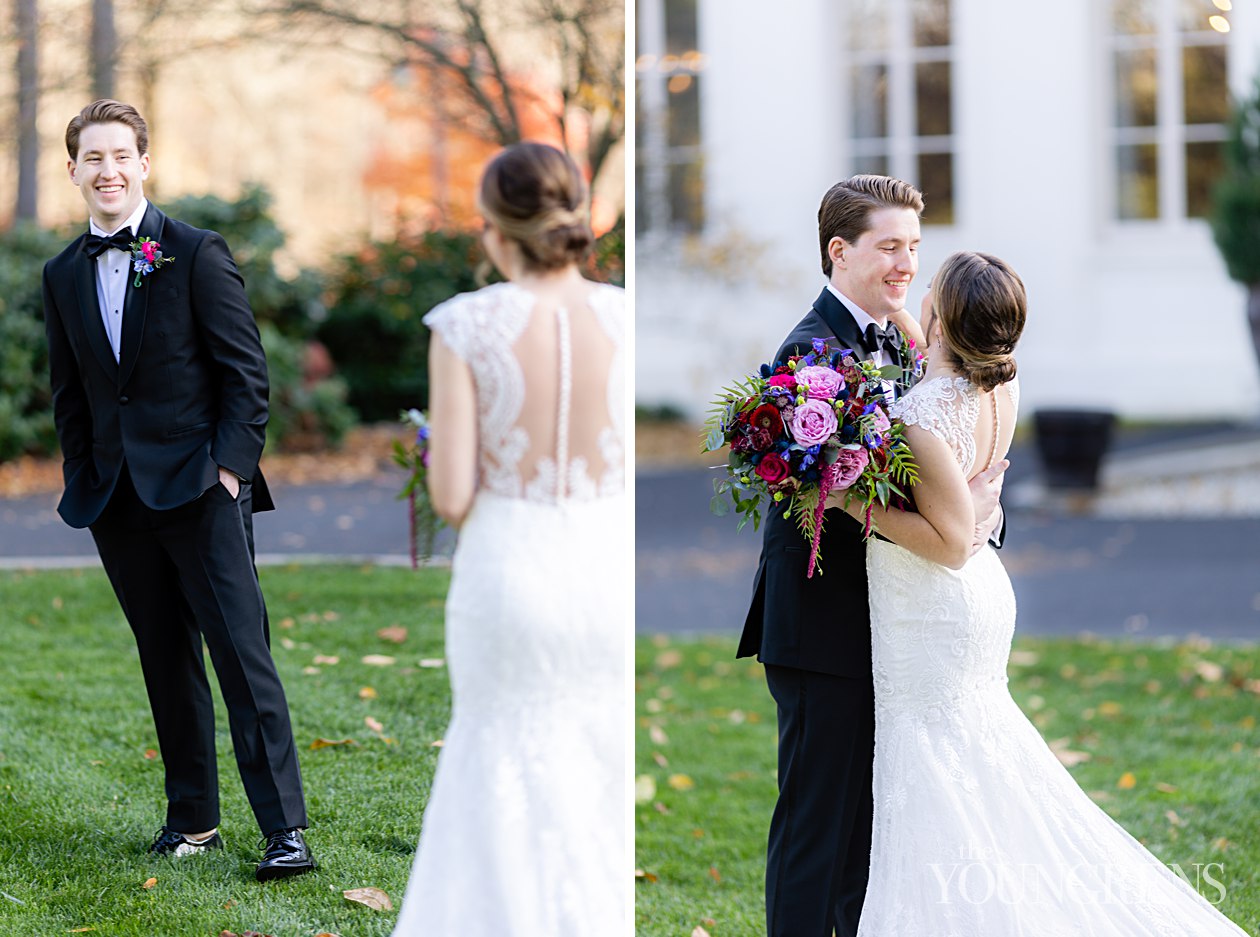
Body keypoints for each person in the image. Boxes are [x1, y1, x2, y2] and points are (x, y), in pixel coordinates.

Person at [841, 251, 1249, 934]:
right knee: (981, 767)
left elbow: (946, 541)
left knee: (936, 776)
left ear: (941, 314)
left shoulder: (921, 412)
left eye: (929, 289)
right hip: (980, 596)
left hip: (934, 605)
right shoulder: (999, 382)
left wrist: (852, 501)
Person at [42, 100, 313, 881]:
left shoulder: (193, 251)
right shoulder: (62, 273)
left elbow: (245, 374)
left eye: (121, 155)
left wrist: (228, 473)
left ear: (144, 163)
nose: (108, 171)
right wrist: (82, 474)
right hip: (115, 502)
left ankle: (285, 829)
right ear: (73, 171)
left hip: (201, 490)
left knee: (241, 656)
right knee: (164, 658)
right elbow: (71, 392)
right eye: (93, 158)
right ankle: (193, 820)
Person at [735, 175, 1005, 937]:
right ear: (839, 250)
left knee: (867, 832)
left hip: (893, 621)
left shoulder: (908, 339)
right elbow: (808, 498)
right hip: (823, 623)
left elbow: (949, 463)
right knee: (819, 829)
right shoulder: (808, 357)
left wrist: (980, 516)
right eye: (891, 246)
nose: (906, 264)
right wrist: (957, 529)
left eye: (914, 247)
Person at [390, 142, 626, 936]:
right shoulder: (626, 317)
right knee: (590, 774)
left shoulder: (464, 324)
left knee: (495, 762)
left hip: (510, 570)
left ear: (496, 230)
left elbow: (453, 494)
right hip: (600, 572)